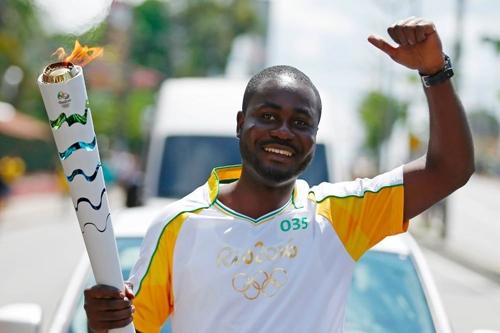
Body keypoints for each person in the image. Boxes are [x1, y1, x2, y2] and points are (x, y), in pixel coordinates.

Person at [84, 17, 474, 333]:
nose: (283, 132)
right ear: (241, 124)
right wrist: (104, 324)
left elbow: (449, 170)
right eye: (268, 116)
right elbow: (132, 329)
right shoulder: (178, 225)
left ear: (313, 138)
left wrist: (435, 73)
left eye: (300, 122)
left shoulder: (338, 216)